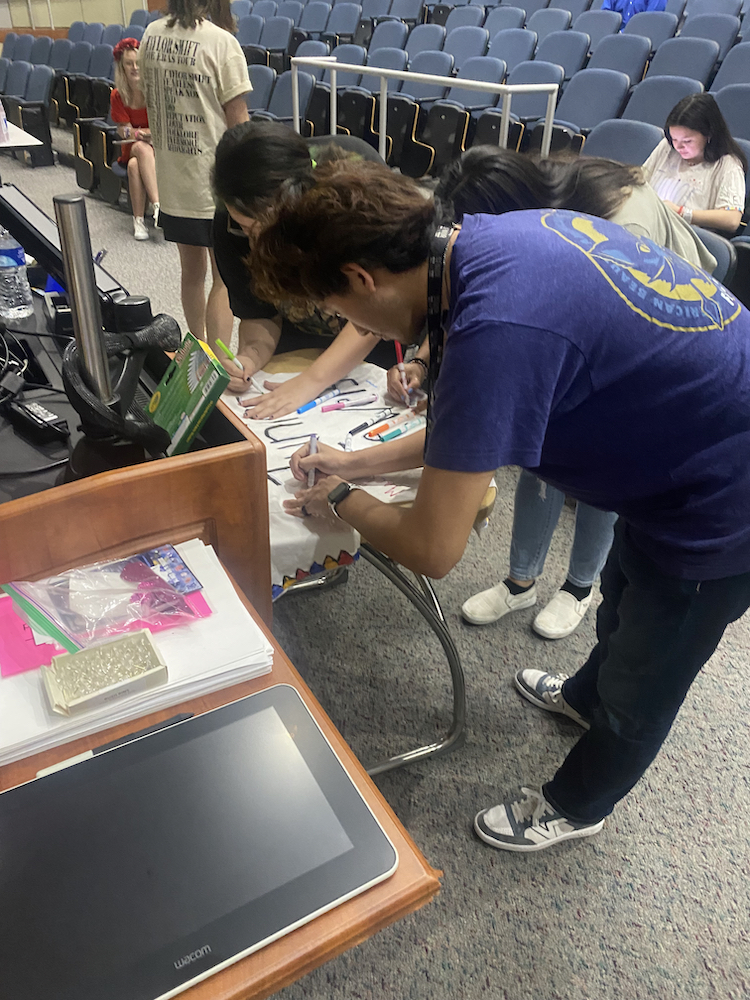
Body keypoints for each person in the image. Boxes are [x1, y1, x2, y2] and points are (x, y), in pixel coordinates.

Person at [250, 160, 750, 853]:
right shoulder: (482, 244)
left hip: (723, 496)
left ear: (362, 280)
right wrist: (354, 463)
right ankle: (583, 698)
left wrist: (340, 498)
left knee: (652, 664)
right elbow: (472, 427)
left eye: (339, 310)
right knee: (626, 594)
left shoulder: (498, 323)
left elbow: (433, 548)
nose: (347, 322)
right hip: (679, 455)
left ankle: (580, 804)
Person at [395, 147, 717, 638]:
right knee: (539, 459)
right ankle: (521, 580)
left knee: (602, 473)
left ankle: (578, 587)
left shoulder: (615, 230)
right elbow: (460, 284)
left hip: (657, 339)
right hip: (580, 322)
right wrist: (423, 357)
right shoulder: (533, 212)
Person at [210, 119, 394, 409]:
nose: (254, 242)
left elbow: (378, 308)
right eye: (244, 228)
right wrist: (248, 358)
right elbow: (258, 314)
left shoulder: (354, 190)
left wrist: (311, 382)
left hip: (366, 350)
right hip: (294, 350)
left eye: (260, 227)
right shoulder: (230, 224)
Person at [139, 0, 250, 339]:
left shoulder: (150, 35)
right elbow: (239, 127)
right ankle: (217, 361)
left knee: (191, 271)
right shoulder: (221, 43)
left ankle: (199, 350)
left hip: (172, 178)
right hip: (214, 182)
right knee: (223, 276)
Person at [643, 93, 747, 235]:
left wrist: (682, 213)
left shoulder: (727, 165)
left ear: (709, 135)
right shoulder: (667, 147)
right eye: (674, 139)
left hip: (685, 238)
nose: (678, 147)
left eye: (687, 141)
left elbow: (732, 219)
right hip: (648, 226)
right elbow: (641, 179)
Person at [109, 38, 160, 242]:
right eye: (129, 63)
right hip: (131, 147)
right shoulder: (118, 95)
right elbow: (124, 133)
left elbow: (160, 130)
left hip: (158, 148)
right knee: (139, 147)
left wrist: (137, 132)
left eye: (138, 62)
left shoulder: (154, 91)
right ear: (122, 66)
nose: (135, 67)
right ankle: (158, 205)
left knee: (133, 166)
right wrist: (142, 133)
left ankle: (139, 221)